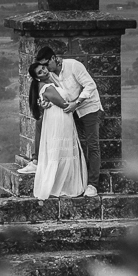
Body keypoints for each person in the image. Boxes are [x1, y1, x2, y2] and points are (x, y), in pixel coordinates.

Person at [20, 46, 102, 197]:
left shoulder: (73, 66)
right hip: (70, 110)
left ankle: (93, 185)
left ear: (53, 58)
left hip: (87, 107)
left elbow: (90, 85)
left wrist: (76, 103)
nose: (45, 69)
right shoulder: (50, 74)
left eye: (46, 64)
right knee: (44, 125)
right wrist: (43, 102)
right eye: (42, 67)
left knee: (92, 144)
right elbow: (50, 92)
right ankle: (37, 161)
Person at [28, 62, 87, 200]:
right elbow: (63, 103)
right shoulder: (47, 87)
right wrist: (79, 100)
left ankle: (64, 184)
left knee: (62, 151)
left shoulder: (51, 82)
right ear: (37, 77)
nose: (44, 71)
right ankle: (60, 186)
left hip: (61, 118)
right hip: (59, 119)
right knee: (60, 151)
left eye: (43, 68)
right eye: (40, 72)